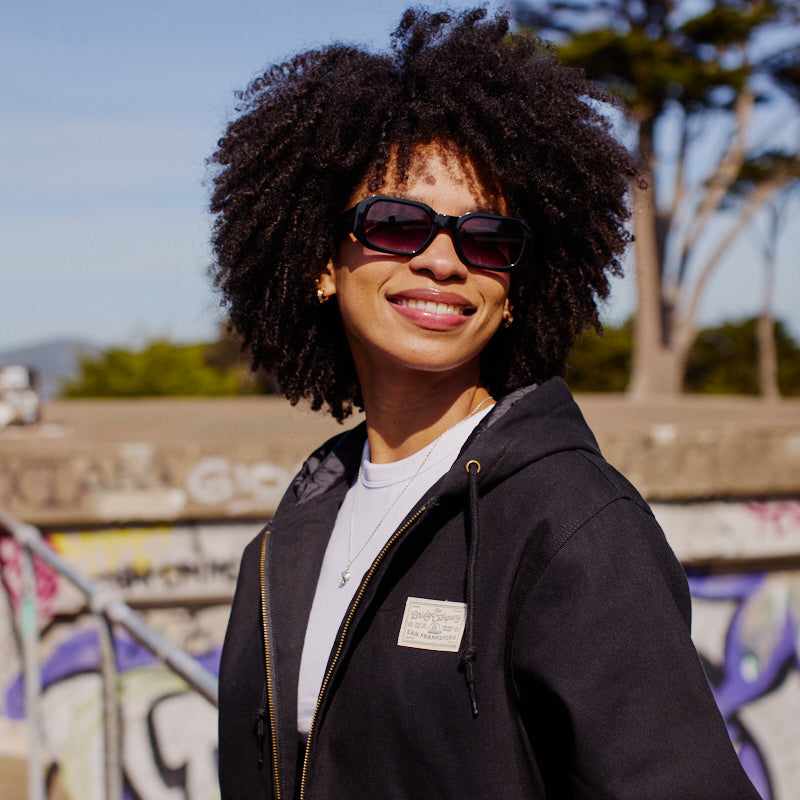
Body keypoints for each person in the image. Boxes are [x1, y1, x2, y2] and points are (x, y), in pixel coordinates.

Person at [211, 8, 761, 799]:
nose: (443, 260)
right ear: (320, 263)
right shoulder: (289, 540)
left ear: (513, 291)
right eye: (396, 223)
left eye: (487, 238)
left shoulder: (571, 521)